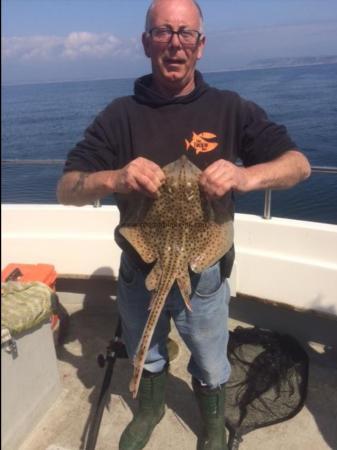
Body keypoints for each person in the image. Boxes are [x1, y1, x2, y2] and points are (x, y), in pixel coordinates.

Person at [57, 1, 311, 449]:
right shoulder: (119, 116)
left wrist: (245, 176)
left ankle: (212, 423)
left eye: (185, 33)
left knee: (212, 359)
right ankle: (151, 406)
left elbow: (299, 166)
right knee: (145, 348)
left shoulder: (231, 108)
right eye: (162, 32)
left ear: (201, 45)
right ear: (145, 42)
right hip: (140, 269)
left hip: (205, 273)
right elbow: (66, 188)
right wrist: (114, 177)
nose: (175, 43)